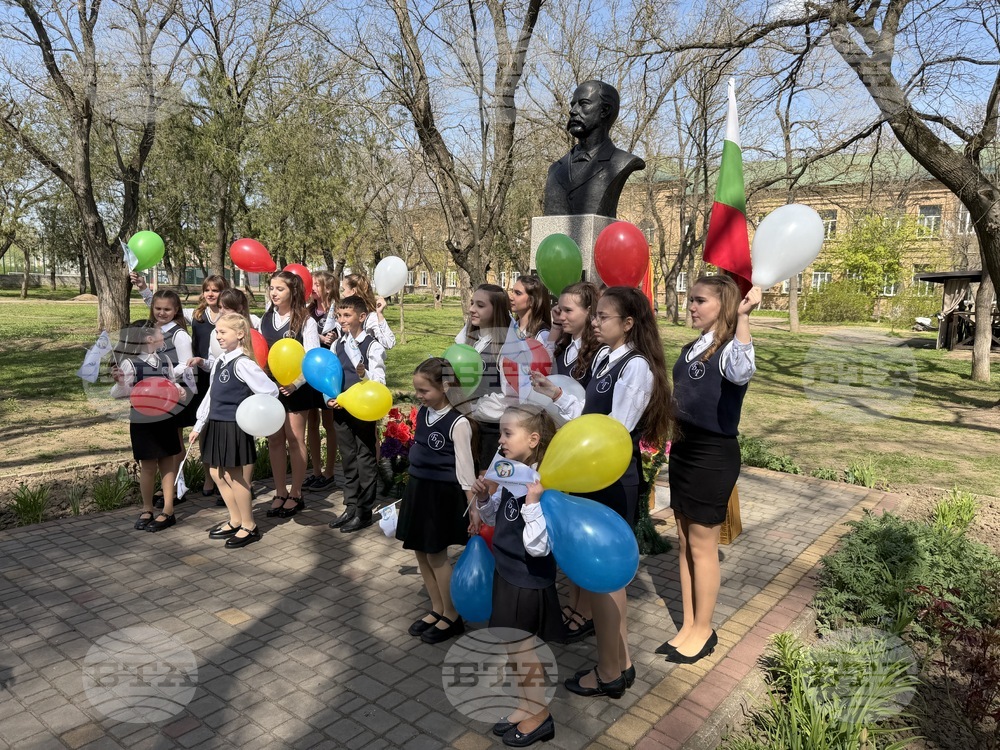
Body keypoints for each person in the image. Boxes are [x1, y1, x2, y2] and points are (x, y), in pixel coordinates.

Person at [531, 286, 673, 697]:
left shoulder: (636, 367)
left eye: (602, 317)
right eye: (595, 316)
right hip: (594, 474)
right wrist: (556, 393)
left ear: (628, 323)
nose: (595, 322)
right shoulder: (606, 358)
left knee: (607, 578)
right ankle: (620, 662)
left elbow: (614, 430)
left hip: (612, 479)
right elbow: (594, 416)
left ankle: (610, 672)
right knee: (602, 579)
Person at [657, 276, 760, 663]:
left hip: (713, 454)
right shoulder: (690, 348)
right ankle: (687, 624)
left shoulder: (734, 349)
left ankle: (705, 630)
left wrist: (745, 319)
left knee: (703, 546)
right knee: (684, 541)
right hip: (683, 448)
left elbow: (740, 372)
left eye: (700, 300)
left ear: (724, 305)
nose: (691, 307)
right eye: (690, 300)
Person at [473, 405, 561, 747]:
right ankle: (526, 705)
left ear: (533, 439)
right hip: (506, 570)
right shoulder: (515, 473)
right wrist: (485, 497)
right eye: (500, 433)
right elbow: (498, 520)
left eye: (508, 433)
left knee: (525, 650)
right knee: (511, 647)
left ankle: (540, 717)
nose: (501, 440)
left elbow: (539, 547)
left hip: (527, 579)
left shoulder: (543, 484)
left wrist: (534, 503)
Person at [396, 358, 478, 644]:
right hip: (418, 490)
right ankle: (437, 607)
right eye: (417, 390)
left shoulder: (459, 422)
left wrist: (474, 510)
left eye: (424, 391)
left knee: (436, 555)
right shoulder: (423, 412)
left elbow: (465, 470)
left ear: (444, 387)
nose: (419, 396)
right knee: (420, 551)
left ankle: (453, 615)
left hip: (440, 497)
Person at [190, 314, 279, 548]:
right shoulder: (220, 361)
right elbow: (211, 395)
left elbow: (270, 391)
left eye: (223, 332)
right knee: (216, 473)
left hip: (233, 426)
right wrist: (199, 424)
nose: (217, 336)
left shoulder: (243, 364)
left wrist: (251, 414)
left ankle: (249, 525)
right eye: (216, 332)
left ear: (240, 334)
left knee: (235, 476)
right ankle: (235, 519)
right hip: (215, 423)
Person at [547, 281, 601, 640]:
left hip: (583, 451)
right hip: (559, 446)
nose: (561, 315)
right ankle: (572, 598)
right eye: (559, 309)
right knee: (565, 530)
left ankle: (585, 609)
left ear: (589, 313)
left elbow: (589, 409)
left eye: (568, 310)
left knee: (580, 530)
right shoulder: (564, 345)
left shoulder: (596, 353)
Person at [257, 271, 321, 519]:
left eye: (279, 289)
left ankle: (296, 492)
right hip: (270, 389)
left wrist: (296, 383)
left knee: (295, 440)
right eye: (271, 288)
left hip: (296, 390)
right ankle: (280, 491)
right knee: (274, 440)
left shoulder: (306, 321)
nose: (274, 293)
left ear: (292, 292)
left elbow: (312, 358)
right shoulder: (265, 318)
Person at [110, 322, 184, 532]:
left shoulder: (165, 360)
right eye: (160, 333)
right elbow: (117, 394)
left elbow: (170, 382)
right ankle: (147, 508)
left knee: (168, 462)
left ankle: (168, 509)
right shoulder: (131, 365)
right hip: (143, 420)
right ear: (150, 339)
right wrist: (121, 383)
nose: (164, 336)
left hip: (166, 417)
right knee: (148, 465)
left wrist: (179, 390)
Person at [326, 295, 387, 533]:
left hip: (363, 410)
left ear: (362, 317)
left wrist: (364, 374)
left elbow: (379, 382)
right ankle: (350, 505)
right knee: (348, 458)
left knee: (365, 458)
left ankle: (364, 511)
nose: (342, 320)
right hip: (341, 410)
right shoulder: (336, 344)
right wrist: (330, 397)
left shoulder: (372, 346)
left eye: (347, 315)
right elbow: (331, 375)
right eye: (339, 315)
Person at [543, 80, 645, 218]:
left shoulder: (621, 162)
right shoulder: (555, 169)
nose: (572, 111)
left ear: (605, 110)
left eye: (583, 104)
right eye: (573, 105)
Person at [453, 284, 511, 472]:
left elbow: (509, 398)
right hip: (466, 427)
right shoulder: (468, 339)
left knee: (483, 489)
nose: (471, 309)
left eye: (480, 305)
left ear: (497, 310)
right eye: (471, 303)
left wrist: (471, 407)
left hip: (491, 434)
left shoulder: (506, 347)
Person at [306, 271, 339, 489]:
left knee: (329, 423)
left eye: (317, 285)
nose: (313, 288)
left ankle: (329, 472)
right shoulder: (308, 311)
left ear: (327, 288)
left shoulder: (338, 310)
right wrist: (318, 337)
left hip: (329, 372)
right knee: (312, 423)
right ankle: (316, 470)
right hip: (310, 371)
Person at [330, 272, 396, 349]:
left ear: (353, 291)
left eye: (343, 289)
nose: (343, 293)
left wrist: (380, 314)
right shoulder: (340, 314)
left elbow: (389, 343)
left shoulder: (370, 318)